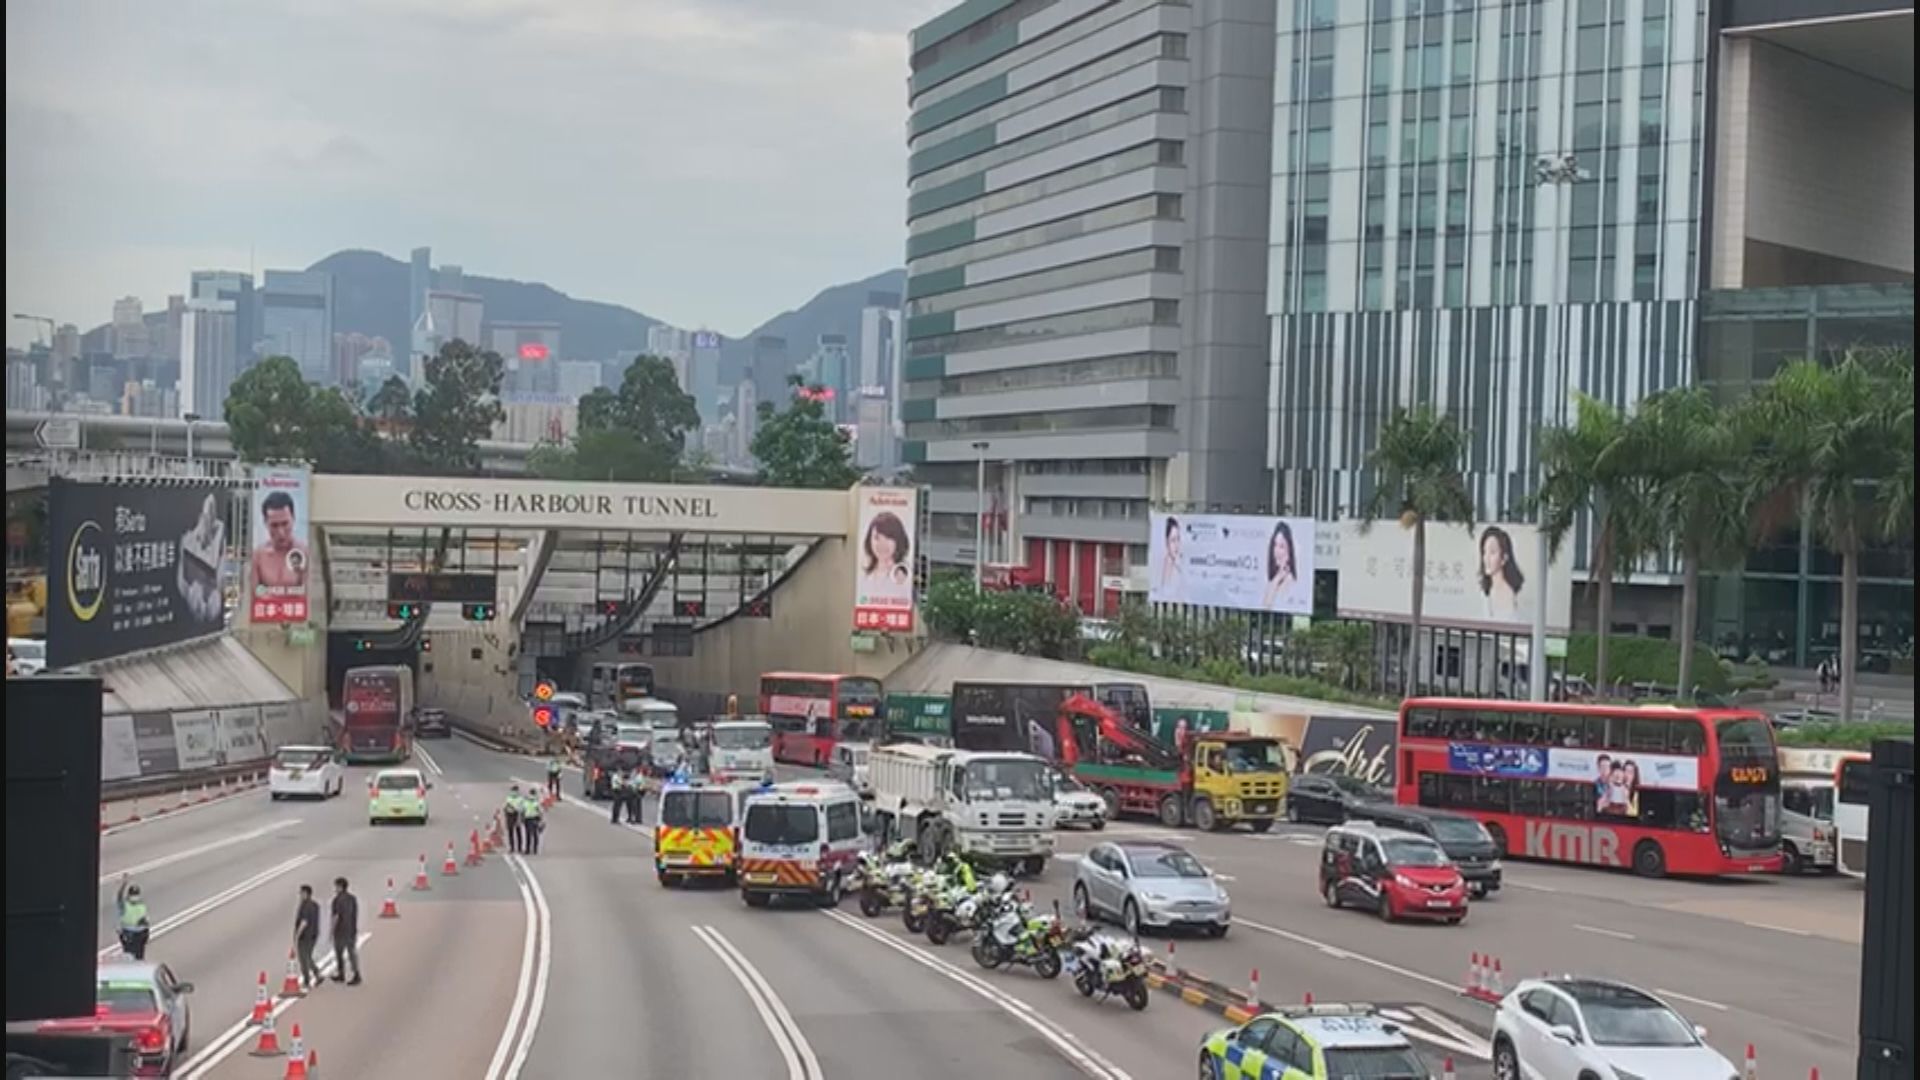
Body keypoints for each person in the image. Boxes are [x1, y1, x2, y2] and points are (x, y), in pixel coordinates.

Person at [250, 489, 309, 590]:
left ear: (293, 519)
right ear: (265, 523)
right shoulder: (258, 556)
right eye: (274, 525)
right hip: (267, 605)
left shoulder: (304, 553)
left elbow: (308, 597)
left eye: (285, 524)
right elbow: (253, 595)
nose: (281, 532)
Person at [1478, 526, 1526, 621]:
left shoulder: (1511, 593)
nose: (1486, 558)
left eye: (1492, 552)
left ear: (1504, 558)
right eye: (1484, 552)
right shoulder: (1486, 592)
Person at [860, 511, 913, 591]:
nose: (882, 544)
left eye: (888, 538)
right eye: (877, 538)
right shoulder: (865, 576)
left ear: (898, 541)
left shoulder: (900, 577)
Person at [1259, 520, 1302, 611]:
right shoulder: (1277, 578)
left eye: (1282, 546)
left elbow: (1267, 605)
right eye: (1275, 545)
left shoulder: (1289, 581)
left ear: (1289, 550)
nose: (1277, 551)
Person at [330, 877, 361, 984]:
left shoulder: (337, 900)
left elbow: (336, 916)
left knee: (339, 953)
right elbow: (355, 914)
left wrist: (331, 930)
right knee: (352, 953)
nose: (335, 889)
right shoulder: (352, 898)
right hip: (351, 930)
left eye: (336, 886)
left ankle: (341, 974)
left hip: (340, 931)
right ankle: (356, 974)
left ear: (340, 887)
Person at [293, 885, 322, 990]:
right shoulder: (315, 905)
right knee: (308, 956)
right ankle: (317, 974)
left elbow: (304, 922)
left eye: (301, 893)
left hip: (305, 936)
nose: (300, 895)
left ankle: (307, 980)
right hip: (314, 934)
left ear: (305, 893)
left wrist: (297, 935)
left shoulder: (304, 905)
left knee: (303, 958)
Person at [115, 875, 150, 960]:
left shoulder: (141, 905)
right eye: (133, 894)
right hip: (128, 935)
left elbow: (145, 919)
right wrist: (124, 884)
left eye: (136, 894)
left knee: (139, 958)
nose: (134, 896)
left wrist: (145, 924)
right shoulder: (124, 905)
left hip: (140, 935)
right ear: (129, 895)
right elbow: (119, 897)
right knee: (129, 958)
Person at [1157, 517, 1183, 594]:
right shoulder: (1166, 565)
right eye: (1173, 540)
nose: (1177, 545)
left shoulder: (1178, 565)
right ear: (1166, 542)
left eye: (1178, 539)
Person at [521, 790, 545, 855]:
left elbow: (522, 811)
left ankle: (528, 849)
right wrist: (542, 821)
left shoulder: (526, 801)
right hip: (534, 819)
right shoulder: (536, 802)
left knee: (529, 834)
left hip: (529, 819)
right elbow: (541, 812)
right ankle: (534, 849)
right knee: (534, 834)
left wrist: (521, 819)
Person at [504, 784, 525, 854]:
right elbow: (505, 807)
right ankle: (511, 847)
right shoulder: (508, 798)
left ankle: (519, 848)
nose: (514, 792)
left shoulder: (520, 799)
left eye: (515, 790)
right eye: (513, 790)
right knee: (510, 832)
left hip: (517, 815)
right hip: (510, 815)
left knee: (518, 831)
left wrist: (521, 815)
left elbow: (522, 808)